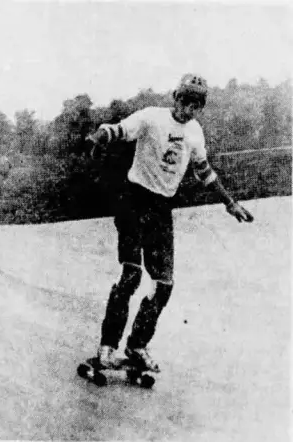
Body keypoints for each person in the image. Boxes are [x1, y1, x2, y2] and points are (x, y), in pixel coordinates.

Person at [84, 73, 254, 372]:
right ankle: (107, 348)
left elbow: (205, 172)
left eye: (195, 105)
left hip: (161, 209)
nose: (188, 110)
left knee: (164, 285)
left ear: (200, 107)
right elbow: (118, 130)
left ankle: (136, 347)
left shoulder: (195, 134)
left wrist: (230, 203)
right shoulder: (152, 117)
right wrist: (99, 138)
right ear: (175, 97)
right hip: (134, 200)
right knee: (131, 277)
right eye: (184, 101)